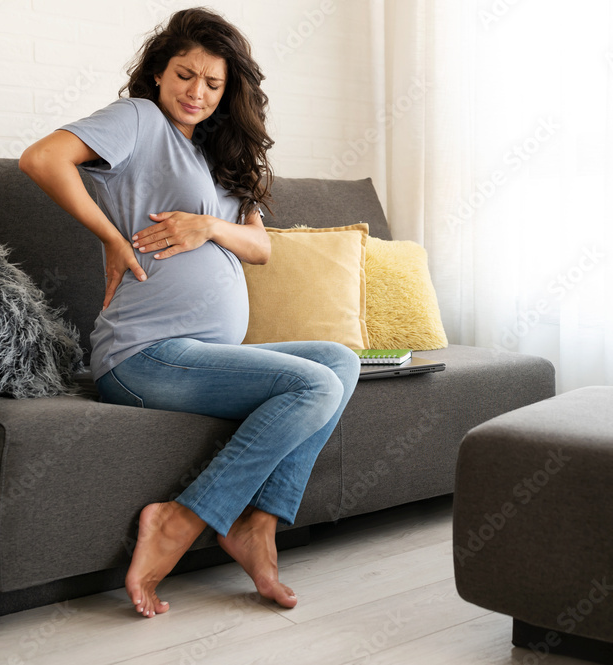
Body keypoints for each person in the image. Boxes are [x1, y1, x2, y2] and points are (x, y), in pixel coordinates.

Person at [19, 8, 359, 618]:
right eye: (184, 74)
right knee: (312, 383)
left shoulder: (221, 157)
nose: (195, 92)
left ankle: (257, 523)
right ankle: (180, 519)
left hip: (206, 355)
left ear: (229, 93)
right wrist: (113, 239)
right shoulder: (140, 120)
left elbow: (260, 247)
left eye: (212, 83)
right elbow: (42, 159)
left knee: (338, 361)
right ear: (157, 74)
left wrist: (208, 227)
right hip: (143, 355)